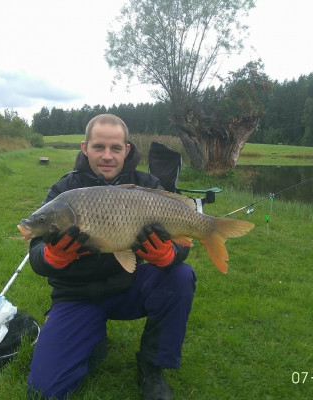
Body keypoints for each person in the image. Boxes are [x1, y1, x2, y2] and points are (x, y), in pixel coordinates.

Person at [27, 114, 196, 400]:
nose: (107, 156)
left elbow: (182, 237)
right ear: (85, 148)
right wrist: (52, 257)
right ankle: (90, 338)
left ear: (126, 149)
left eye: (115, 148)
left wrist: (169, 254)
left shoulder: (147, 184)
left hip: (128, 286)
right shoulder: (64, 191)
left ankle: (151, 367)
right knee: (44, 392)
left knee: (179, 275)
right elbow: (35, 254)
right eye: (99, 147)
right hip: (77, 296)